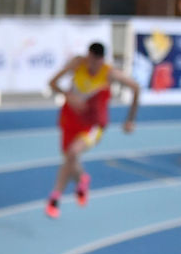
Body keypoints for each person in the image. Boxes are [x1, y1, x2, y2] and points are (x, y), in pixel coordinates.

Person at [45, 42, 139, 218]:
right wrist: (69, 96)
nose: (91, 64)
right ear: (87, 56)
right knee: (69, 159)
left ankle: (55, 197)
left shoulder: (109, 73)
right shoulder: (77, 64)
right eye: (89, 59)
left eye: (95, 61)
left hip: (93, 125)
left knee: (72, 153)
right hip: (70, 120)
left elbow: (136, 88)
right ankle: (82, 179)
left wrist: (130, 120)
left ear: (102, 60)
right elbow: (52, 82)